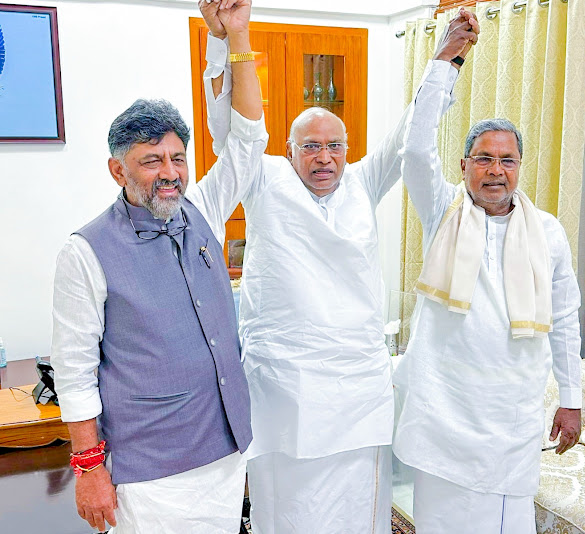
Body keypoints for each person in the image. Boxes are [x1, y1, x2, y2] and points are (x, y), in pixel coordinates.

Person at [200, 4, 479, 532]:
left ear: (348, 151)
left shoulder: (363, 181)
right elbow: (227, 130)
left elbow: (409, 134)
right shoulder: (263, 180)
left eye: (334, 146)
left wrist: (445, 58)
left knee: (358, 509)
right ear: (289, 151)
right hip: (286, 385)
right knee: (289, 508)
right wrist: (224, 40)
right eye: (311, 147)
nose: (324, 157)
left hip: (356, 386)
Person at [50, 2, 267, 532]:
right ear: (117, 170)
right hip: (150, 474)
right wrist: (88, 469)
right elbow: (74, 372)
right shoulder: (85, 251)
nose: (170, 173)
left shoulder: (204, 210)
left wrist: (232, 37)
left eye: (177, 158)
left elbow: (248, 141)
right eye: (151, 161)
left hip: (225, 451)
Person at [392, 33, 583, 532]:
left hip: (512, 414)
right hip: (445, 410)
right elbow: (415, 150)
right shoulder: (443, 211)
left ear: (519, 167)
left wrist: (571, 397)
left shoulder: (548, 232)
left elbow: (565, 318)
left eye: (507, 160)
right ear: (463, 166)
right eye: (483, 158)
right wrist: (445, 63)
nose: (495, 171)